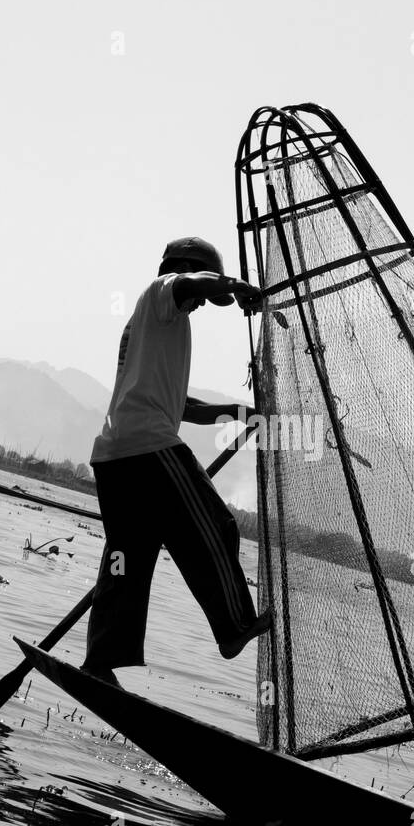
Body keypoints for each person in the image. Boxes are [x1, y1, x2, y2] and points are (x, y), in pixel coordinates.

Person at [82, 236, 270, 685]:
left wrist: (240, 413)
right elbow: (188, 282)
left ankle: (99, 663)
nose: (204, 305)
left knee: (126, 559)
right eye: (205, 297)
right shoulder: (162, 294)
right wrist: (236, 287)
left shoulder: (152, 326)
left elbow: (181, 405)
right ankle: (235, 628)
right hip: (148, 448)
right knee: (216, 526)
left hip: (114, 454)